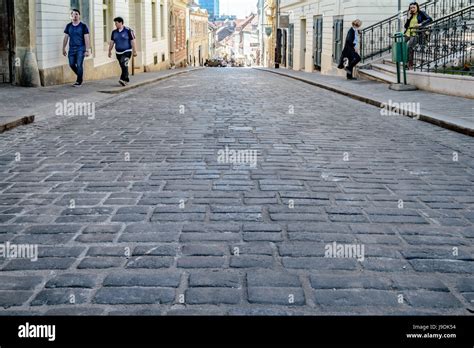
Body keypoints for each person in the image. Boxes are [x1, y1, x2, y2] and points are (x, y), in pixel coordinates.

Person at [63, 9, 91, 87]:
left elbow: (86, 38)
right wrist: (63, 48)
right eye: (73, 14)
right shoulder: (68, 26)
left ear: (79, 15)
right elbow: (66, 37)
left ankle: (79, 81)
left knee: (79, 64)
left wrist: (87, 50)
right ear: (71, 16)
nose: (75, 16)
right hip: (71, 48)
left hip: (80, 48)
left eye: (76, 14)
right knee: (71, 64)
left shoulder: (83, 26)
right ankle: (80, 75)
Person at [108, 17, 137, 86]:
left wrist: (135, 51)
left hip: (127, 51)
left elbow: (133, 41)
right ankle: (126, 79)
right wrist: (109, 51)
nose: (115, 24)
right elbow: (112, 42)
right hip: (118, 52)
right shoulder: (114, 32)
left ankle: (123, 79)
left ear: (121, 23)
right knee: (123, 66)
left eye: (116, 23)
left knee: (124, 63)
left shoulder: (128, 30)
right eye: (115, 23)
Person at [404, 2, 432, 70]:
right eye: (411, 8)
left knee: (410, 47)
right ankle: (403, 60)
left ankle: (409, 64)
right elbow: (406, 26)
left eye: (414, 7)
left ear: (417, 7)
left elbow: (430, 19)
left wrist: (421, 24)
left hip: (415, 33)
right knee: (400, 44)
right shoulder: (410, 15)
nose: (412, 9)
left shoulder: (421, 13)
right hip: (407, 33)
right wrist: (408, 18)